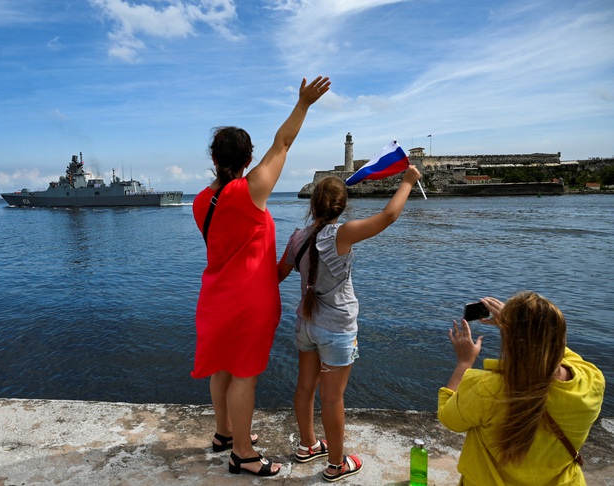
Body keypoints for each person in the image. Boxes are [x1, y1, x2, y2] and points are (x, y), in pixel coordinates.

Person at [192, 75, 331, 477]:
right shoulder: (251, 191)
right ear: (248, 160)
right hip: (249, 302)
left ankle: (223, 433)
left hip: (215, 297)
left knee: (221, 367)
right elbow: (283, 144)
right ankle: (242, 454)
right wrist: (303, 103)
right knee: (244, 377)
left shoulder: (202, 201)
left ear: (215, 159)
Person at [277, 168, 421, 482]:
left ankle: (307, 445)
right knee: (332, 398)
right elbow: (389, 216)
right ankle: (335, 464)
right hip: (336, 328)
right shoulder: (342, 234)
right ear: (343, 207)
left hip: (305, 324)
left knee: (304, 388)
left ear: (312, 205)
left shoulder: (297, 238)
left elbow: (276, 275)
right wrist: (408, 182)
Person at [438, 291, 605, 485]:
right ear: (561, 336)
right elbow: (554, 348)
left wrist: (465, 362)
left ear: (509, 340)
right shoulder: (591, 380)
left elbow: (447, 417)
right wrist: (519, 329)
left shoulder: (486, 389)